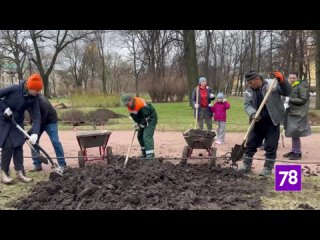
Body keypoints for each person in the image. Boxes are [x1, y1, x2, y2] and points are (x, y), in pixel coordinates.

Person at [240, 70, 292, 176]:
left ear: (257, 79)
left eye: (250, 82)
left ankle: (267, 168)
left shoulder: (272, 84)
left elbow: (287, 92)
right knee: (251, 144)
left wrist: (283, 81)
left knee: (271, 145)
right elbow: (247, 105)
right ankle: (246, 165)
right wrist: (253, 114)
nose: (249, 85)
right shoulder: (249, 91)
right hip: (257, 121)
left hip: (272, 121)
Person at [0, 73, 43, 184]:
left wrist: (35, 133)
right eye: (36, 90)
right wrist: (5, 108)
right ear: (29, 87)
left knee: (19, 145)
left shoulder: (34, 97)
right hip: (4, 118)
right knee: (8, 145)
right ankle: (4, 172)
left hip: (17, 121)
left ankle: (20, 172)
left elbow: (37, 115)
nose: (38, 93)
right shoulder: (14, 89)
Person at [28, 94, 67, 171]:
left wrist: (31, 130)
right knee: (33, 141)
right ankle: (37, 164)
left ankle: (62, 164)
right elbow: (32, 114)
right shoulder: (28, 100)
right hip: (38, 122)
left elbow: (43, 118)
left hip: (50, 121)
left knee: (55, 141)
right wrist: (31, 123)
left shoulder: (43, 102)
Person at [282, 72, 311, 160]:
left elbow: (303, 99)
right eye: (290, 78)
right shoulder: (292, 86)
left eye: (293, 78)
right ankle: (293, 150)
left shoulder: (301, 87)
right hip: (292, 112)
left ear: (297, 78)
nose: (291, 79)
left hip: (298, 113)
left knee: (295, 133)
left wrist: (289, 99)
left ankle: (298, 152)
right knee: (292, 132)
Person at [121, 94, 158, 159]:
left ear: (131, 100)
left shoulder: (140, 104)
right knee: (140, 136)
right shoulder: (130, 106)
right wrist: (137, 123)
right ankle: (144, 154)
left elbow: (146, 117)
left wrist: (140, 126)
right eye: (125, 104)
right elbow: (135, 116)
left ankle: (150, 156)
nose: (126, 105)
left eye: (127, 104)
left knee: (146, 136)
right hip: (143, 119)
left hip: (151, 119)